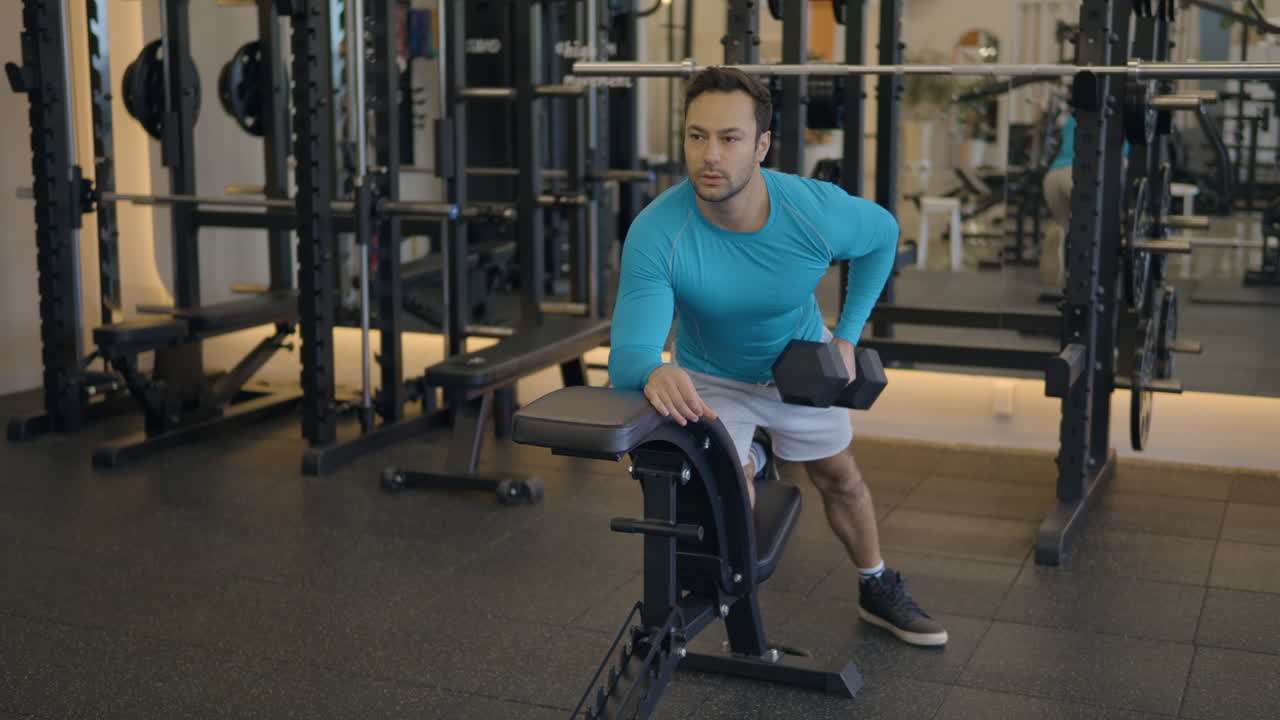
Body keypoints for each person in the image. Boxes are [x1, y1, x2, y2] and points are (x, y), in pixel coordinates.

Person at [607, 66, 947, 648]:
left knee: (840, 479)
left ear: (762, 145)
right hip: (710, 377)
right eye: (696, 136)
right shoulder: (658, 230)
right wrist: (655, 368)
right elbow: (629, 354)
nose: (709, 155)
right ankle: (744, 573)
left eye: (730, 138)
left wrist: (848, 331)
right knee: (728, 495)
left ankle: (876, 584)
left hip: (798, 364)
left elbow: (883, 235)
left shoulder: (813, 211)